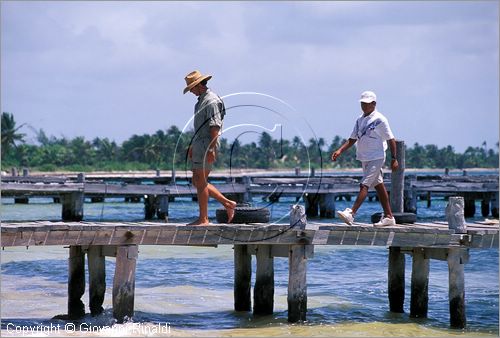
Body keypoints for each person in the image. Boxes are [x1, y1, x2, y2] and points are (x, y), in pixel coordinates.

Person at [331, 90, 398, 227]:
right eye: (362, 103)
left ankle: (351, 214)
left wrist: (394, 158)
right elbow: (352, 139)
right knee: (378, 185)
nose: (364, 106)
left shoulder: (380, 119)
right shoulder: (359, 120)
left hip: (377, 157)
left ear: (374, 104)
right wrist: (339, 150)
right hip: (364, 157)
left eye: (367, 103)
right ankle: (389, 217)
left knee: (364, 184)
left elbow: (391, 139)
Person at [183, 70, 237, 225]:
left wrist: (211, 149)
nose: (191, 91)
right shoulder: (201, 101)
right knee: (197, 180)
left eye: (192, 87)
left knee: (200, 181)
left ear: (199, 84)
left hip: (208, 143)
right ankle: (228, 203)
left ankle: (204, 219)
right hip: (200, 143)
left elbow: (215, 128)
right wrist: (194, 145)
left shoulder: (211, 101)